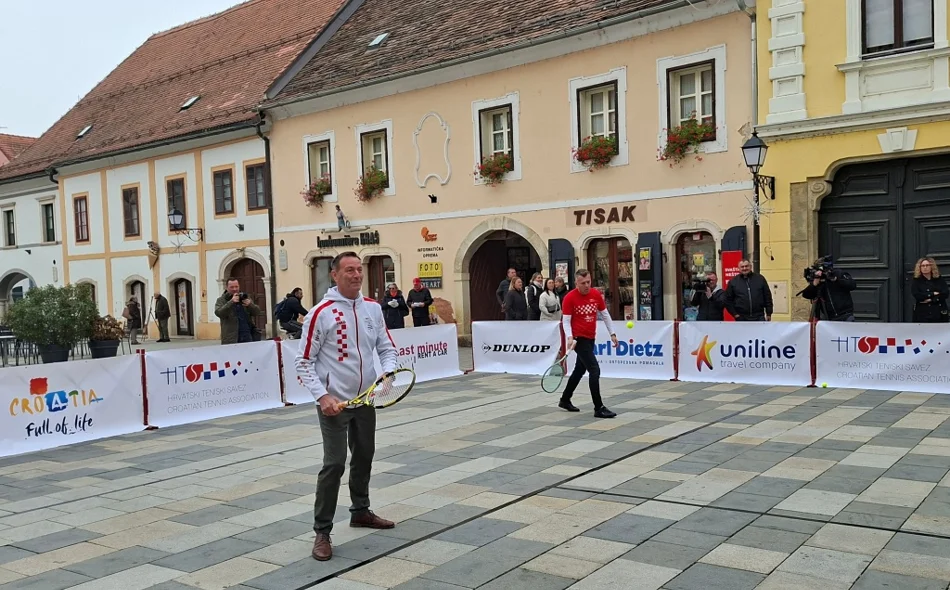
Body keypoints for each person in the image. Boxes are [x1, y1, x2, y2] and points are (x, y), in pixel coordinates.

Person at [295, 251, 398, 562]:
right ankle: (322, 531)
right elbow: (303, 362)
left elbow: (386, 347)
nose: (356, 275)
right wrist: (322, 396)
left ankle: (361, 511)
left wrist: (388, 373)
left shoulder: (372, 309)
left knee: (365, 454)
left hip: (366, 399)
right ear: (335, 275)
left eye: (359, 269)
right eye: (349, 270)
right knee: (335, 463)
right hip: (335, 404)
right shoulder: (320, 312)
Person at [561, 269, 618, 418]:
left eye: (588, 282)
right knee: (594, 369)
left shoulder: (595, 295)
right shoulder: (569, 298)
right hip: (579, 339)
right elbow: (566, 321)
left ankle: (565, 399)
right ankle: (598, 407)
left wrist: (612, 334)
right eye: (583, 283)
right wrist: (569, 337)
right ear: (576, 283)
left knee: (579, 369)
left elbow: (605, 315)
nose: (587, 285)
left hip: (590, 337)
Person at [215, 278, 262, 344]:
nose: (234, 289)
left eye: (236, 286)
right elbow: (219, 313)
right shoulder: (221, 300)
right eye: (232, 287)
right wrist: (231, 302)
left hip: (247, 336)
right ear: (227, 288)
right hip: (231, 338)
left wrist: (250, 305)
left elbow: (257, 312)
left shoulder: (244, 297)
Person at [911, 257, 949, 323]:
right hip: (922, 314)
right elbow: (917, 295)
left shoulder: (939, 279)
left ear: (931, 266)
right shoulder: (916, 281)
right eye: (922, 266)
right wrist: (933, 294)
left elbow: (945, 293)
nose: (925, 267)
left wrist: (931, 299)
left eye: (927, 265)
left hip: (938, 312)